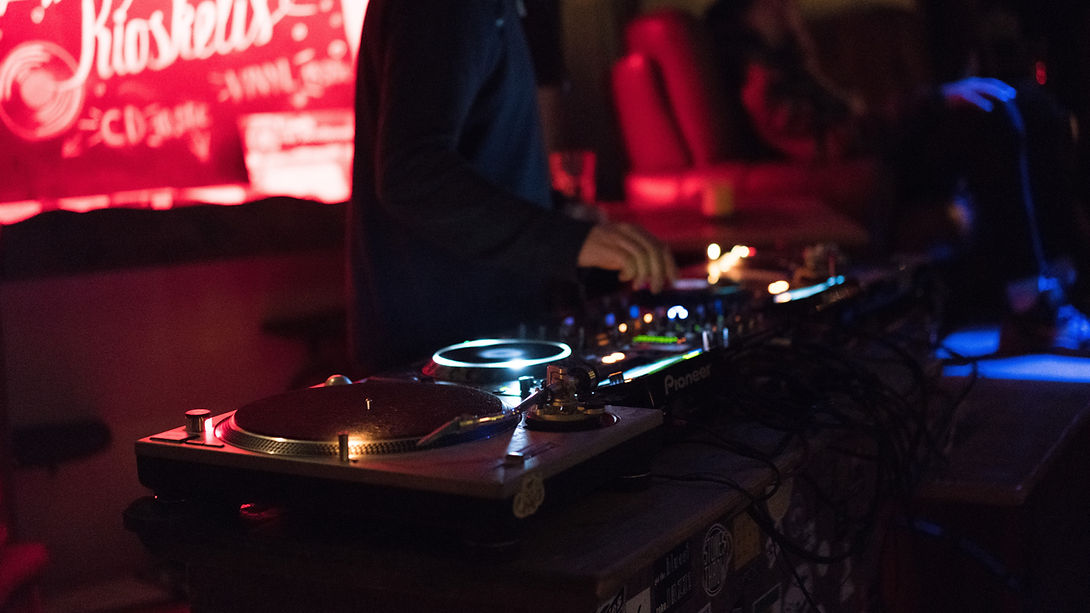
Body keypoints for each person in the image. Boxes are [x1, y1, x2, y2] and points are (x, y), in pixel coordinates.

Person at [704, 0, 1090, 352]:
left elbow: (846, 117)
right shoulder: (757, 73)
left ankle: (1059, 281)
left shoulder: (786, 59)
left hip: (879, 150)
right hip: (869, 169)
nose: (787, 6)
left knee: (1030, 105)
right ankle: (1027, 306)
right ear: (748, 14)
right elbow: (828, 141)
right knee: (990, 121)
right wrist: (933, 100)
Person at [349, 0, 676, 375]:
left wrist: (559, 212)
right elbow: (412, 174)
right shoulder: (444, 9)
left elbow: (480, 159)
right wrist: (569, 241)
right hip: (441, 354)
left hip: (476, 341)